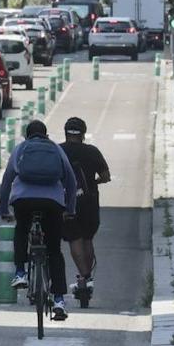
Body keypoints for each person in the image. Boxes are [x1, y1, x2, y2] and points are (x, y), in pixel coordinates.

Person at [0, 119, 78, 321]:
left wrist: (3, 209)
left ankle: (20, 272)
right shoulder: (56, 149)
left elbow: (7, 180)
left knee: (21, 230)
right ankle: (59, 300)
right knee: (54, 251)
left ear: (27, 135)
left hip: (23, 201)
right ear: (46, 134)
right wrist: (70, 208)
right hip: (53, 203)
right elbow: (70, 178)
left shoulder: (20, 148)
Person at [59, 117, 111, 297]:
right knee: (87, 238)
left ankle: (85, 276)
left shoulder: (59, 151)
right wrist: (94, 181)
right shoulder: (92, 151)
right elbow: (105, 176)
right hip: (89, 201)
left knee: (75, 238)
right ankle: (86, 279)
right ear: (83, 134)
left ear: (66, 133)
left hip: (67, 202)